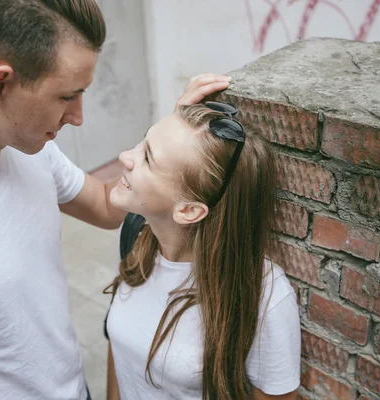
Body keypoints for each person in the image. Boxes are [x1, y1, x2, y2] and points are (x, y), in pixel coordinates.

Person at [0, 0, 231, 398]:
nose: (78, 116)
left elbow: (106, 206)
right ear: (0, 84)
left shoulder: (27, 145)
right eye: (68, 96)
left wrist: (171, 144)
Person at [105, 101, 301, 399]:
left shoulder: (266, 296)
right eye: (143, 141)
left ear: (188, 210)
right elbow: (119, 350)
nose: (125, 156)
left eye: (147, 157)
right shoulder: (136, 234)